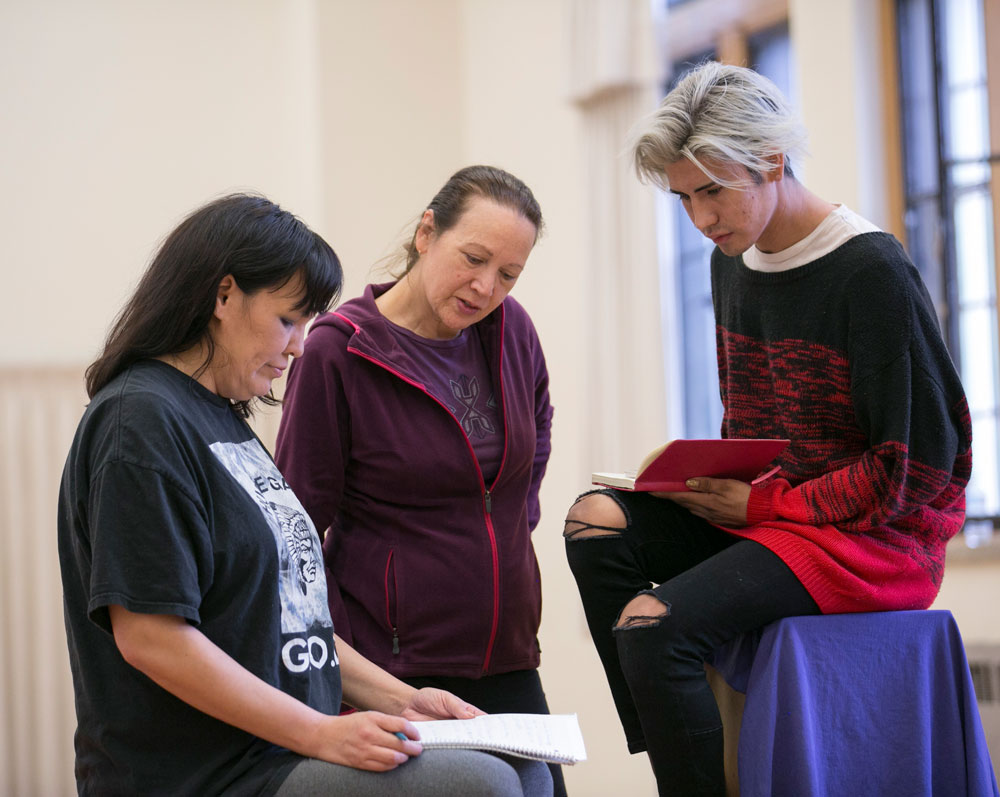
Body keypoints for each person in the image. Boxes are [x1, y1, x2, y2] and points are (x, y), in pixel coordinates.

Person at [562, 61, 972, 796]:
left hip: (877, 541)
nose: (701, 218)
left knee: (655, 626)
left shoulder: (870, 270)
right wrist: (700, 478)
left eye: (713, 191)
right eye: (684, 197)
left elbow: (916, 473)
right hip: (782, 518)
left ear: (774, 161)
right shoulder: (733, 263)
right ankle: (669, 740)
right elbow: (760, 430)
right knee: (594, 522)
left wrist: (761, 505)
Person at [57, 193, 552, 797]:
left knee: (522, 767)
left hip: (278, 750)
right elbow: (152, 637)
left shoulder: (220, 418)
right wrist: (319, 733)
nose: (296, 347)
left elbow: (294, 624)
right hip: (213, 773)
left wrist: (407, 699)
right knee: (484, 785)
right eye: (288, 320)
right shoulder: (139, 421)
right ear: (224, 295)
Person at [275, 165, 565, 795]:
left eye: (509, 274)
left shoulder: (513, 332)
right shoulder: (339, 351)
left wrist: (498, 546)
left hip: (508, 652)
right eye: (474, 258)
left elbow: (529, 457)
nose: (486, 286)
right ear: (427, 233)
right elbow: (293, 531)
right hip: (395, 667)